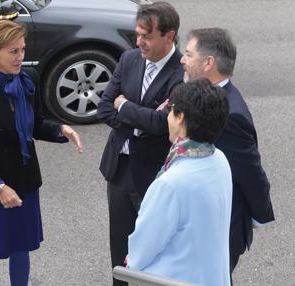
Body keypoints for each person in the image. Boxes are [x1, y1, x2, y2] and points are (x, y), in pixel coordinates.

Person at [0, 19, 83, 286]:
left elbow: (35, 125)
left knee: (21, 247)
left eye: (22, 50)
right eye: (13, 51)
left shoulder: (29, 80)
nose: (20, 57)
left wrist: (61, 129)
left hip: (25, 181)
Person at [95, 2, 183, 285]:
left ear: (169, 36)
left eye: (146, 36)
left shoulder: (181, 73)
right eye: (137, 34)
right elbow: (105, 108)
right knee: (119, 247)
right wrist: (139, 120)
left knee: (155, 249)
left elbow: (163, 125)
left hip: (154, 176)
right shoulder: (129, 59)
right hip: (120, 170)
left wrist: (125, 106)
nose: (139, 42)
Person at [180, 27, 275, 275]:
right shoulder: (210, 97)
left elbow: (250, 171)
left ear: (208, 62)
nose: (182, 59)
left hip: (217, 231)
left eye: (189, 54)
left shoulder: (230, 115)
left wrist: (258, 216)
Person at [128, 79, 232, 286]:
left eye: (170, 110)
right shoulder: (219, 159)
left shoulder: (170, 183)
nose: (167, 116)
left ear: (181, 117)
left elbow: (143, 247)